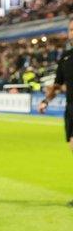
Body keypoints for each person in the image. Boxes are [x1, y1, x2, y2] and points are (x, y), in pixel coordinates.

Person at [37, 16, 73, 207]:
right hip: (71, 109)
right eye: (71, 30)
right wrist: (45, 101)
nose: (72, 33)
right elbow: (57, 85)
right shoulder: (66, 57)